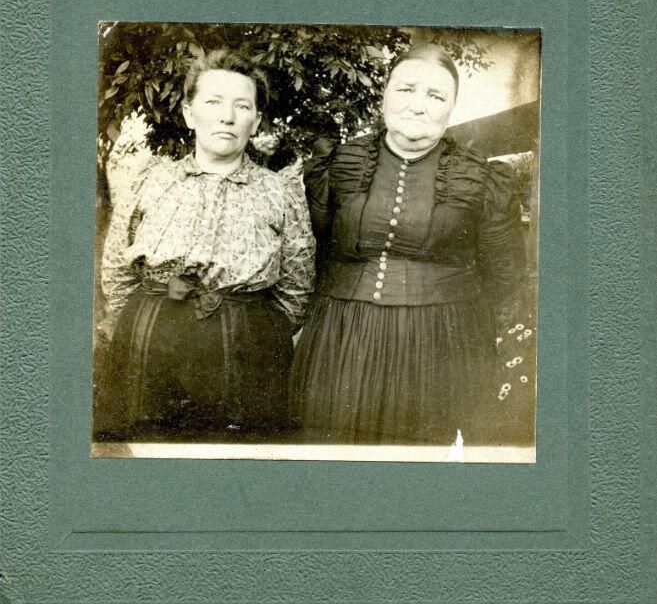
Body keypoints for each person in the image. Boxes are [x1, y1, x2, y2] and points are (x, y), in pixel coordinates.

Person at [289, 43, 528, 446]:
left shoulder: (478, 176)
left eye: (436, 96)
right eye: (406, 90)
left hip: (443, 345)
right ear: (384, 95)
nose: (418, 106)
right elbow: (312, 251)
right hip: (342, 338)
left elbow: (505, 275)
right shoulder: (341, 164)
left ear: (452, 107)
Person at [94, 48, 315, 441]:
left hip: (248, 353)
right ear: (188, 113)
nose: (227, 116)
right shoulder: (151, 180)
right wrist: (148, 320)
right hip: (150, 344)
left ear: (255, 121)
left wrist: (254, 329)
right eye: (213, 102)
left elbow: (296, 285)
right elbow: (116, 267)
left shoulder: (280, 192)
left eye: (242, 106)